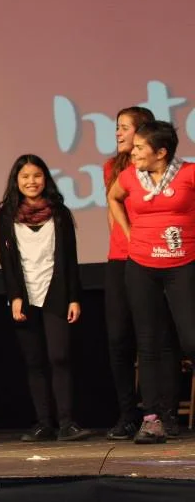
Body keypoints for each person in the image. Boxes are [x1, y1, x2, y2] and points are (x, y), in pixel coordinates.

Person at [108, 121, 195, 444]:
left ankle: (167, 414)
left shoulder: (189, 173)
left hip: (183, 264)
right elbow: (114, 198)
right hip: (142, 266)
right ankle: (154, 419)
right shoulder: (130, 176)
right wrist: (129, 233)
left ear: (161, 152)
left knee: (190, 339)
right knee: (149, 343)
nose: (133, 152)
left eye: (140, 147)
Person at [0, 154, 91, 443]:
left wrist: (74, 297)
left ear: (45, 179)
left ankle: (67, 423)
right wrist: (14, 296)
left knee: (59, 357)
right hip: (25, 294)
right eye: (25, 176)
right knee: (34, 361)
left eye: (37, 176)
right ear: (16, 181)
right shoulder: (7, 215)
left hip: (56, 291)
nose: (31, 181)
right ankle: (44, 423)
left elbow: (70, 258)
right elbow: (6, 261)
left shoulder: (59, 213)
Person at [101, 106, 175, 440]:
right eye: (117, 127)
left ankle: (164, 413)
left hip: (159, 258)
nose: (118, 133)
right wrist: (127, 240)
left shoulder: (167, 171)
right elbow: (113, 209)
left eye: (124, 127)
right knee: (118, 337)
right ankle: (127, 414)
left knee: (160, 336)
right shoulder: (113, 168)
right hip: (123, 257)